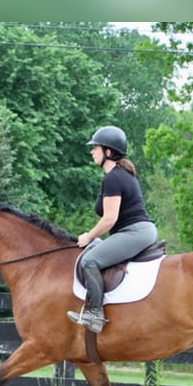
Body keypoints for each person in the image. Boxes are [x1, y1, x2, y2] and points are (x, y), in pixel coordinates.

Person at [66, 126, 157, 333]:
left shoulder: (114, 178)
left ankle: (94, 315)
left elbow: (109, 219)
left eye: (95, 148)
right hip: (136, 231)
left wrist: (88, 236)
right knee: (93, 250)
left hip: (135, 232)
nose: (92, 152)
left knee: (90, 260)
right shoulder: (118, 175)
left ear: (108, 151)